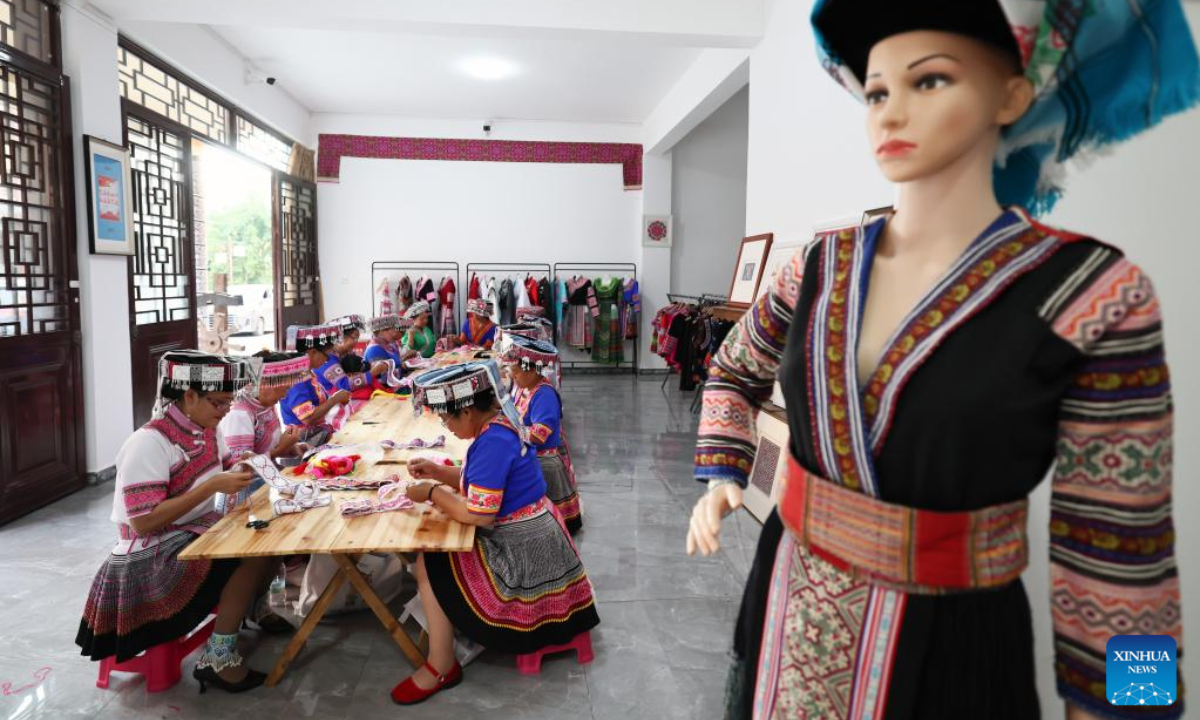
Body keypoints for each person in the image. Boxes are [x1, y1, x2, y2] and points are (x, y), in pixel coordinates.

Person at [687, 3, 1195, 719]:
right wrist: (722, 472)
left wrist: (1133, 705)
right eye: (876, 92)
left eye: (929, 82)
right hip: (782, 610)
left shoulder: (1095, 297)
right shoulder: (816, 267)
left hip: (954, 648)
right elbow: (734, 372)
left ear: (1012, 95)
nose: (890, 115)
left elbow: (1123, 560)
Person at [395, 362, 599, 705]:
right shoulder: (499, 426)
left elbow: (478, 512)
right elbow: (485, 481)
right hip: (534, 536)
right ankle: (443, 650)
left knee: (431, 562)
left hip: (525, 554)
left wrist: (431, 493)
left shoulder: (494, 440)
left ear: (468, 409)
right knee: (435, 555)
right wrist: (439, 472)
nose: (446, 426)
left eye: (448, 419)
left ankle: (441, 664)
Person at [76, 351, 277, 693]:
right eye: (218, 402)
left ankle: (245, 612)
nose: (226, 410)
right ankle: (218, 659)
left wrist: (244, 464)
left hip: (190, 532)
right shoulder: (150, 442)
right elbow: (143, 523)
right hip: (150, 554)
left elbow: (224, 464)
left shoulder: (205, 428)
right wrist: (211, 487)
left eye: (229, 402)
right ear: (189, 396)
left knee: (269, 536)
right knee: (245, 557)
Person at [215, 350, 312, 515]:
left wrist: (292, 447)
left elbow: (269, 448)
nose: (284, 395)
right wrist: (281, 449)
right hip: (246, 498)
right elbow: (240, 469)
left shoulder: (264, 404)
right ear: (265, 382)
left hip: (266, 485)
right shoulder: (239, 413)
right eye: (284, 388)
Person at [502, 335, 582, 533]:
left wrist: (508, 432)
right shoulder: (527, 389)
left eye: (516, 372)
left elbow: (539, 435)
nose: (513, 376)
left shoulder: (544, 394)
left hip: (544, 461)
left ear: (530, 370)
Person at [281, 323, 352, 436]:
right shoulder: (296, 378)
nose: (327, 360)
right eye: (327, 356)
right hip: (302, 438)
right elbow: (307, 418)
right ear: (312, 352)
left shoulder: (308, 373)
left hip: (316, 432)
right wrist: (335, 399)